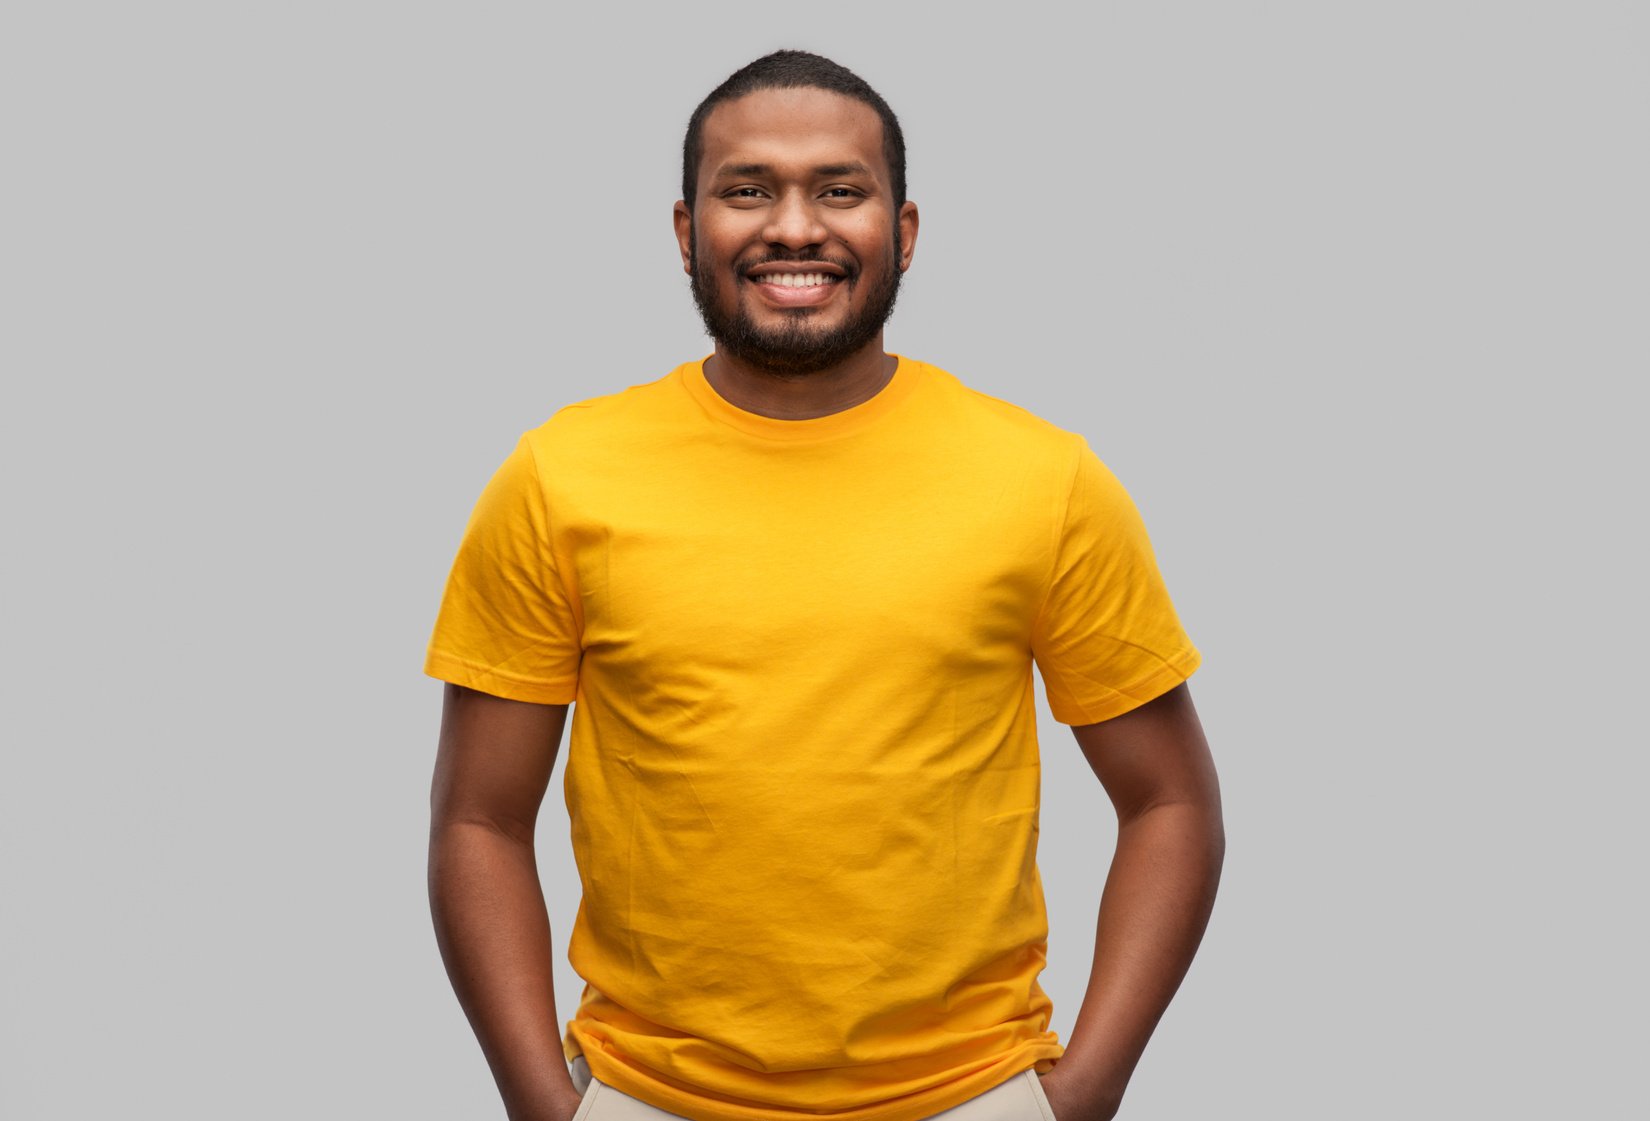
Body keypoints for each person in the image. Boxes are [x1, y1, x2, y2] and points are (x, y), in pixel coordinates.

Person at [426, 50, 1224, 1121]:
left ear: (901, 231)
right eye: (747, 189)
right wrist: (539, 1101)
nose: (794, 227)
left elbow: (1170, 800)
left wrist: (1080, 1095)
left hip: (968, 1091)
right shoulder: (558, 478)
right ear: (684, 231)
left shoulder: (1045, 481)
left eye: (839, 190)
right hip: (649, 1093)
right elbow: (478, 818)